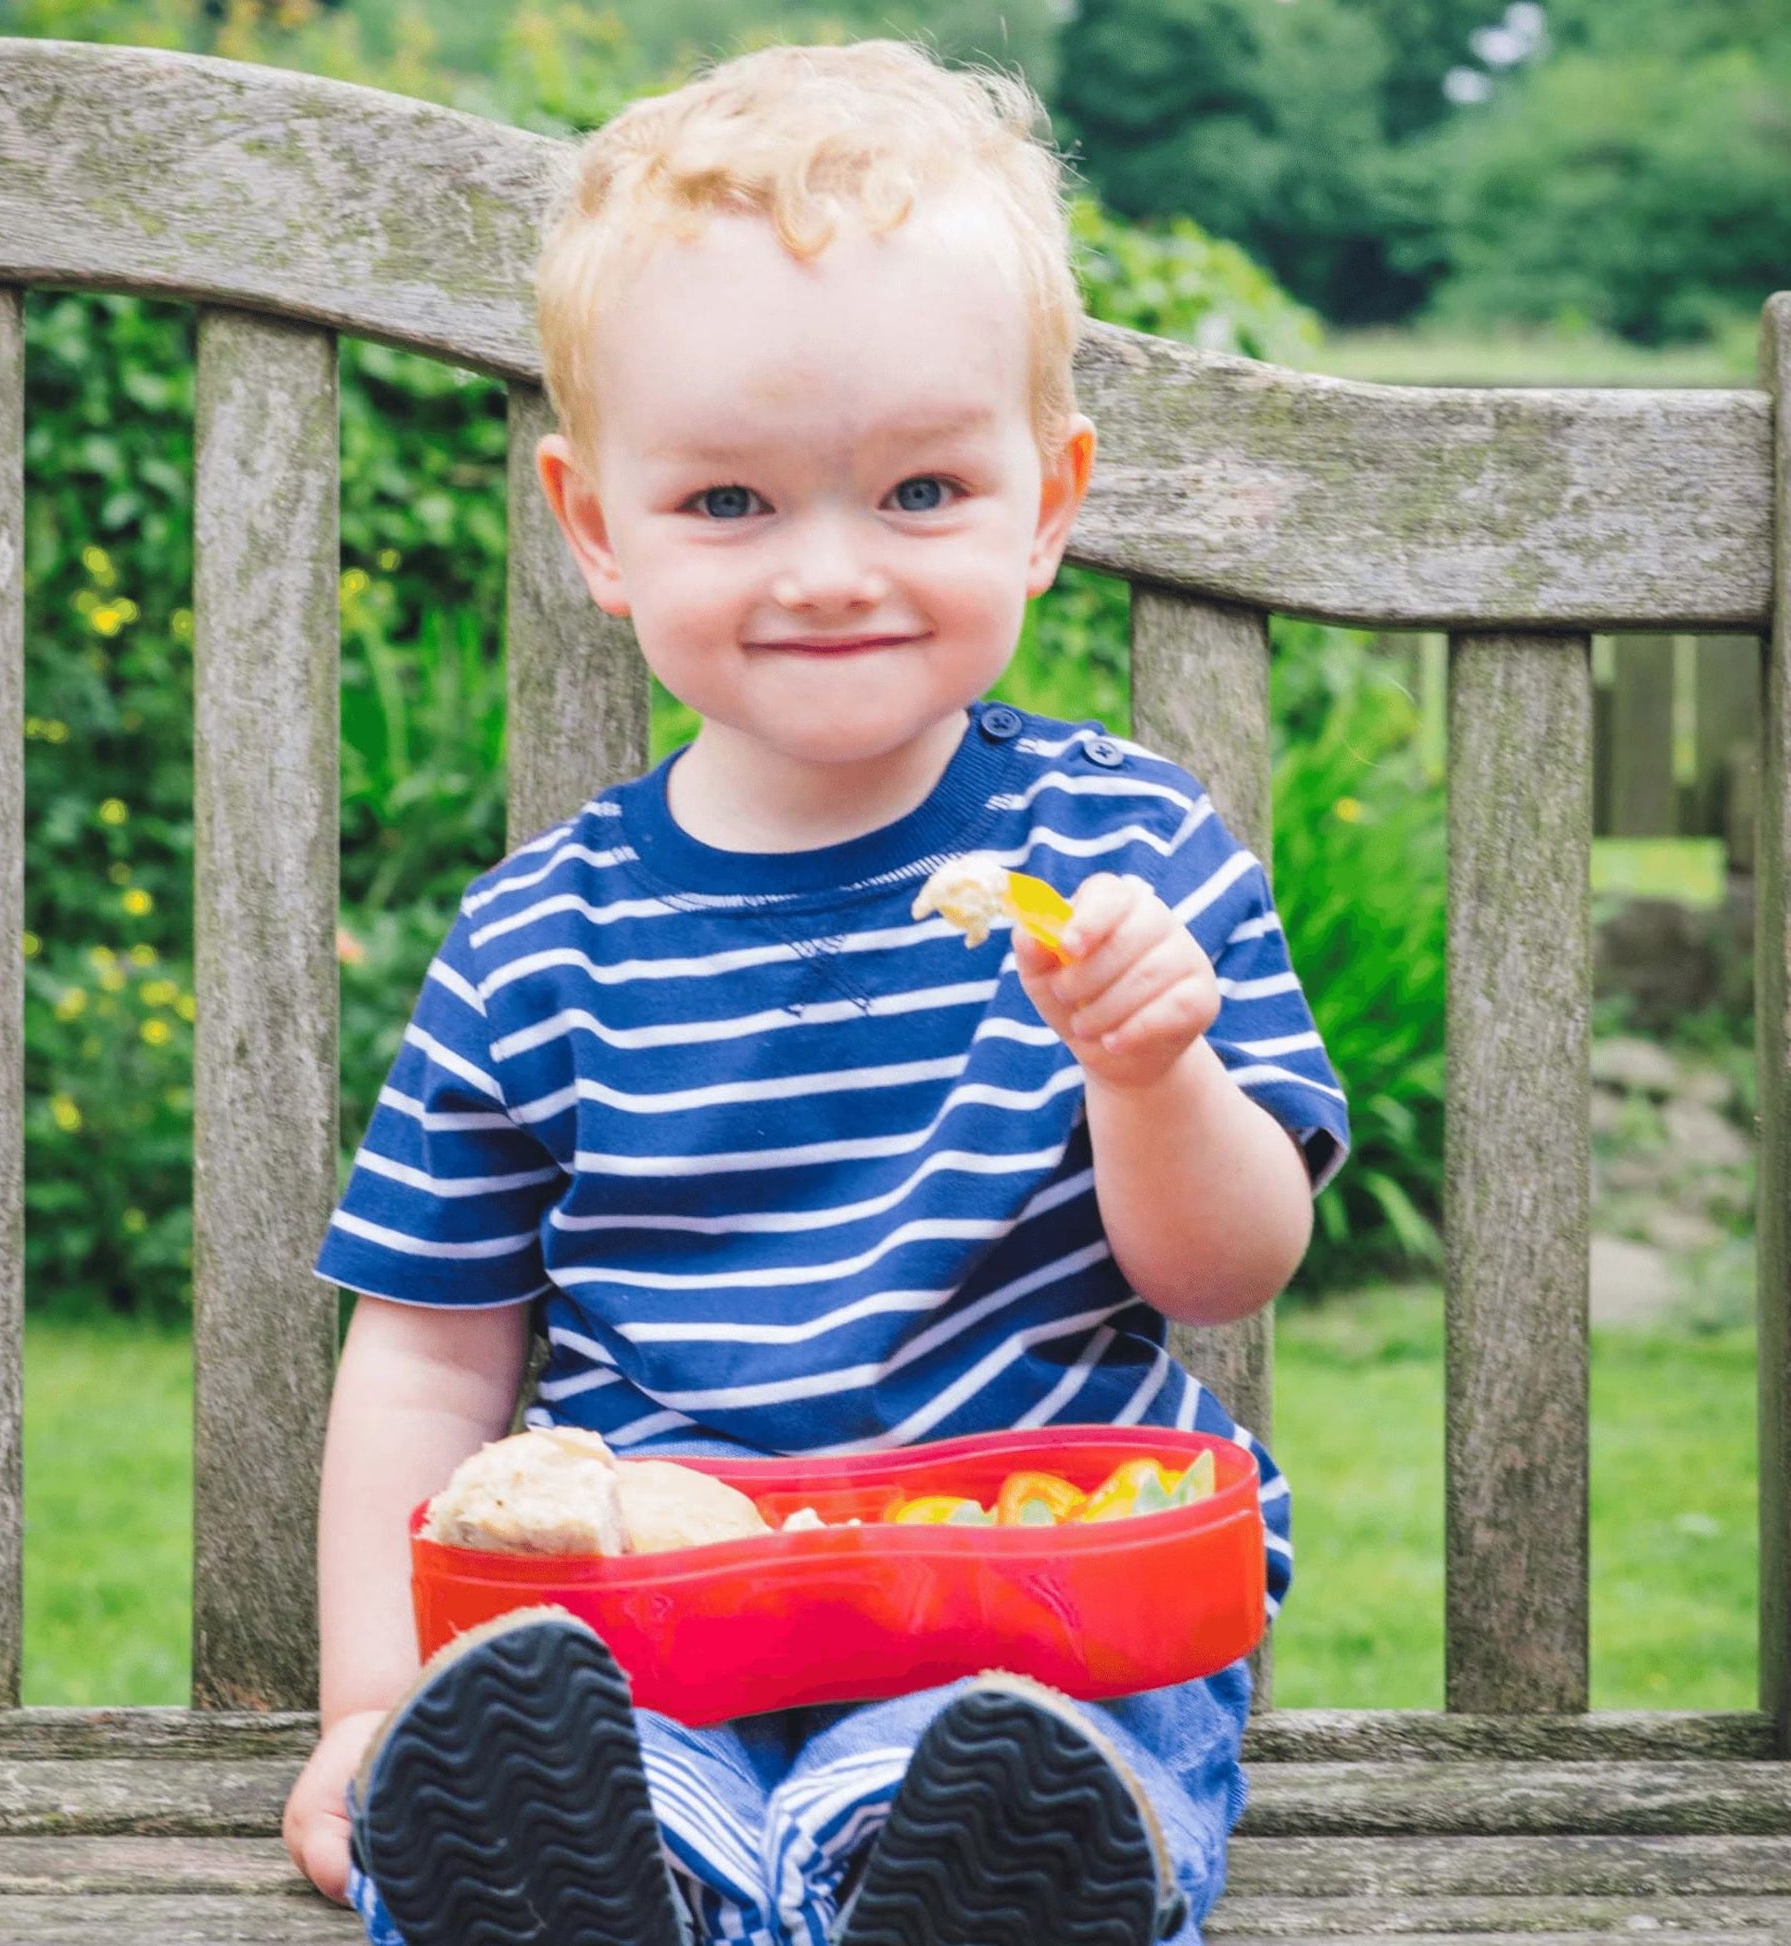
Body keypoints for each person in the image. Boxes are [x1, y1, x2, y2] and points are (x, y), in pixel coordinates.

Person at [282, 37, 1349, 1946]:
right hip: (644, 1614)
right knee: (579, 1787)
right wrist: (374, 1701)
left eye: (923, 487)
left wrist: (1148, 1070)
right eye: (729, 505)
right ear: (597, 526)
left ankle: (945, 1872)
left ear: (1047, 500)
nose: (832, 572)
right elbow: (432, 1350)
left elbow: (1226, 1267)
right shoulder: (542, 937)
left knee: (977, 1773)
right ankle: (611, 1879)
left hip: (1034, 1615)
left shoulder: (1121, 854)